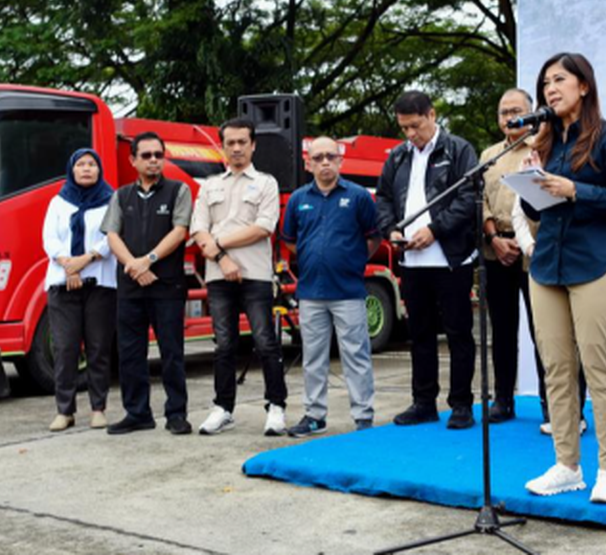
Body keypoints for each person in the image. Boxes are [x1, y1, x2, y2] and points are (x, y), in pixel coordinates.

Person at [521, 52, 606, 505]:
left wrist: (576, 190)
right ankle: (566, 465)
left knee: (599, 367)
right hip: (547, 264)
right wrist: (532, 181)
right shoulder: (546, 141)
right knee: (557, 368)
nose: (550, 89)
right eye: (545, 83)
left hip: (594, 264)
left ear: (584, 86)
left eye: (559, 80)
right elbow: (537, 210)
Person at [376, 91, 480, 429]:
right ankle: (423, 401)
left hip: (451, 258)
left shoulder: (459, 149)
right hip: (411, 260)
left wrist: (435, 230)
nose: (410, 134)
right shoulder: (397, 157)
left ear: (432, 115)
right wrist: (391, 230)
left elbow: (467, 199)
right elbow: (384, 199)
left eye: (415, 126)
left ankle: (461, 403)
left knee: (458, 332)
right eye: (404, 128)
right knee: (418, 333)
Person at [190, 118, 287, 437]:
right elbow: (198, 230)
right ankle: (223, 408)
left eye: (242, 142)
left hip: (256, 275)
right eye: (229, 142)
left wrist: (219, 243)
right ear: (222, 146)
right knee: (224, 344)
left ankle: (276, 407)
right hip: (219, 276)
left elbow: (264, 227)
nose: (236, 148)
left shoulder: (266, 183)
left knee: (265, 342)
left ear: (253, 144)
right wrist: (221, 257)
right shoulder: (209, 185)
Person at [281, 136, 381, 436]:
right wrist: (315, 257)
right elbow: (289, 240)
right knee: (313, 357)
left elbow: (374, 236)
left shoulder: (359, 196)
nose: (325, 162)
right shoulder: (299, 199)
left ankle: (363, 416)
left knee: (356, 355)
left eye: (331, 156)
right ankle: (314, 416)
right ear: (307, 163)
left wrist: (352, 260)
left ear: (340, 160)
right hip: (311, 292)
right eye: (318, 157)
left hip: (348, 291)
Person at [102, 132, 193, 435]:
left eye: (158, 154)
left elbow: (180, 231)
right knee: (130, 353)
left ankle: (176, 413)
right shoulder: (120, 195)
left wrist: (148, 260)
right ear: (133, 160)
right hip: (130, 287)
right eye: (146, 155)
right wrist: (133, 265)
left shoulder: (178, 191)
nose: (154, 160)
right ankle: (137, 413)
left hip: (166, 286)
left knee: (171, 352)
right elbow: (112, 235)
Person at [42, 148, 117, 432]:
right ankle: (65, 410)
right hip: (63, 286)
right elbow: (49, 238)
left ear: (99, 170)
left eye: (92, 164)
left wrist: (84, 261)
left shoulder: (111, 200)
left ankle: (98, 408)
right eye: (81, 164)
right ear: (72, 170)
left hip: (99, 284)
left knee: (98, 348)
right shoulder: (58, 202)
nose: (86, 169)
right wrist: (68, 266)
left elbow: (112, 238)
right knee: (65, 349)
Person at [480, 89, 537, 424]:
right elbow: (481, 200)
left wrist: (521, 239)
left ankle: (551, 404)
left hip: (533, 250)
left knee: (543, 331)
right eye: (504, 112)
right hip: (495, 249)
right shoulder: (488, 155)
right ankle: (503, 400)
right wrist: (494, 238)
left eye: (517, 111)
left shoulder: (542, 149)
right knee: (502, 330)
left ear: (530, 113)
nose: (509, 117)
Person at [512, 194, 590, 436]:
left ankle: (576, 413)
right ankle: (558, 414)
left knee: (581, 343)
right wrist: (529, 246)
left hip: (583, 257)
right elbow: (520, 210)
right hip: (545, 260)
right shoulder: (538, 161)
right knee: (552, 345)